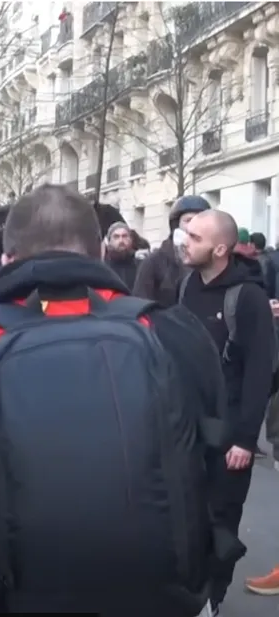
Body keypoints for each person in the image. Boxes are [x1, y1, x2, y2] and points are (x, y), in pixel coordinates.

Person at [0, 184, 227, 615]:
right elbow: (211, 458)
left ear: (5, 260)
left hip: (3, 597)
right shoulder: (168, 328)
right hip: (161, 596)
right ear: (97, 252)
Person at [178, 209, 275, 614]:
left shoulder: (247, 296)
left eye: (195, 237)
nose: (185, 242)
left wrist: (244, 439)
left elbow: (259, 373)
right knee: (186, 517)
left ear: (220, 248)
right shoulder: (187, 286)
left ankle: (212, 599)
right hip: (188, 430)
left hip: (230, 434)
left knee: (221, 520)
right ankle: (189, 593)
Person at [134, 195, 211, 307]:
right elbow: (140, 304)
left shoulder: (215, 259)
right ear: (176, 225)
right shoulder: (154, 262)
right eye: (188, 220)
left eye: (199, 220)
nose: (194, 225)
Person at [104, 221, 139, 289]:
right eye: (116, 237)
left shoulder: (140, 266)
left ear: (130, 239)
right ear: (109, 241)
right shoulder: (103, 267)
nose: (121, 240)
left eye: (124, 236)